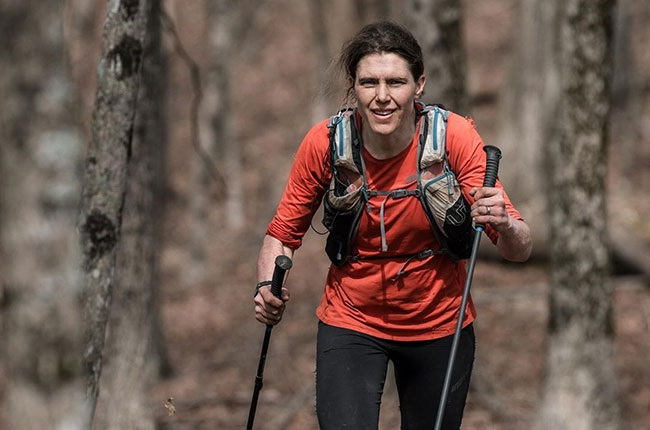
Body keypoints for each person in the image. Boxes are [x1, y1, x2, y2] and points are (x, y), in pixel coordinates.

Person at [253, 20, 532, 430]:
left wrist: (504, 223)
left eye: (395, 82)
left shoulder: (453, 137)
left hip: (439, 322)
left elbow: (519, 248)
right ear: (354, 86)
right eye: (369, 83)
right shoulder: (326, 143)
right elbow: (281, 234)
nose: (382, 97)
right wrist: (265, 288)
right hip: (350, 319)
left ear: (419, 84)